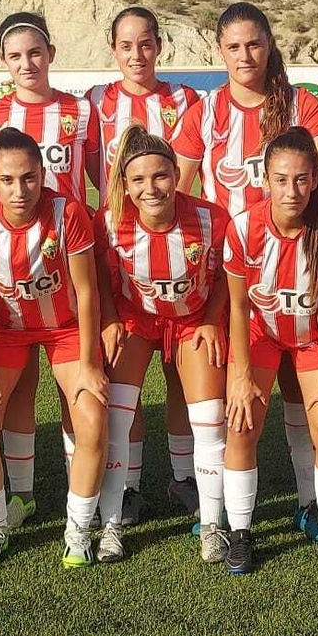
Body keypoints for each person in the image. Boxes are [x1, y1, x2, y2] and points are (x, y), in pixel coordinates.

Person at [174, 3, 318, 541]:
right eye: (234, 46)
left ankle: (310, 506)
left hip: (302, 263)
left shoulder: (303, 104)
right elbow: (182, 192)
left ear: (270, 45)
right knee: (239, 402)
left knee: (307, 401)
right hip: (232, 272)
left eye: (254, 44)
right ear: (219, 52)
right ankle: (227, 517)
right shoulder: (203, 114)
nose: (245, 55)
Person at [0, 129, 108, 568]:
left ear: (43, 174)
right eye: (7, 180)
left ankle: (79, 525)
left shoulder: (67, 211)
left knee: (92, 414)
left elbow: (86, 291)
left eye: (29, 178)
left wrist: (88, 363)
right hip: (3, 329)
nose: (19, 190)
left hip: (63, 326)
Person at [0, 12, 102, 529]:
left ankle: (82, 496)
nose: (26, 64)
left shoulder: (80, 110)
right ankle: (24, 495)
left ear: (51, 53)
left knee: (72, 387)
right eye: (14, 56)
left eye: (35, 53)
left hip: (67, 257)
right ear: (4, 63)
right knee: (19, 387)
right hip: (9, 273)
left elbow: (100, 179)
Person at [223, 130, 318, 578]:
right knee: (241, 425)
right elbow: (239, 306)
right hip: (260, 335)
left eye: (301, 180)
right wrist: (241, 374)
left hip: (313, 342)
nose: (291, 191)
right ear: (264, 179)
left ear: (316, 181)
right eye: (281, 180)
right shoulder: (242, 227)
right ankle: (241, 533)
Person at [88, 6, 202, 524]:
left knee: (182, 379)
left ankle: (183, 478)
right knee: (123, 382)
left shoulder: (186, 100)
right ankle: (130, 486)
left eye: (147, 43)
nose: (138, 54)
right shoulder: (97, 102)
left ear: (161, 45)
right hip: (125, 251)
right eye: (127, 45)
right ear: (113, 49)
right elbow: (99, 174)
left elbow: (193, 174)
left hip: (183, 252)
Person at [95, 125, 230, 563]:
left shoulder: (212, 219)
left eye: (160, 176)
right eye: (138, 180)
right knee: (115, 416)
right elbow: (100, 275)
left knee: (209, 417)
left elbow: (228, 275)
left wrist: (211, 320)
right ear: (125, 185)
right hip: (137, 319)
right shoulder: (111, 222)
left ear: (177, 174)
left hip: (191, 321)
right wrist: (112, 319)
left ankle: (212, 523)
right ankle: (112, 520)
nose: (150, 188)